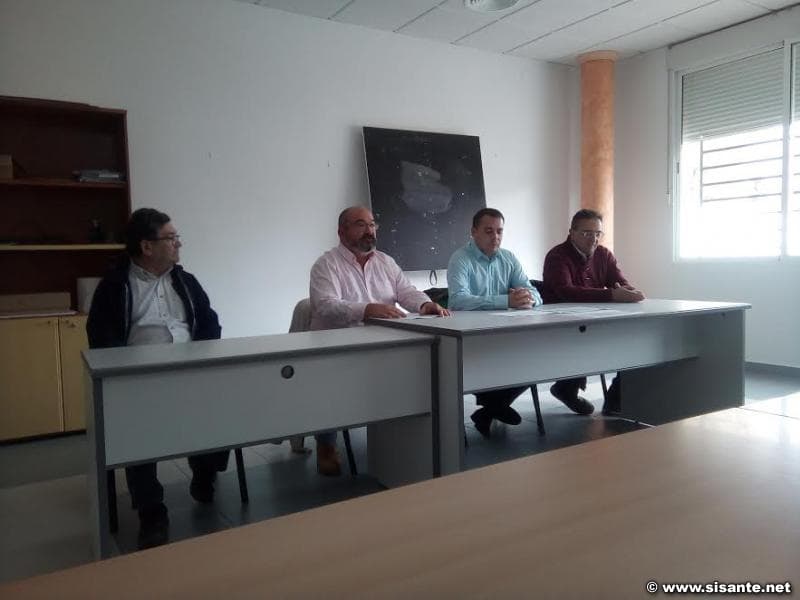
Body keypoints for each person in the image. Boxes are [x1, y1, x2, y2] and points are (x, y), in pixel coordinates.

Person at [87, 208, 229, 549]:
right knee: (137, 430)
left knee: (221, 404)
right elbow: (101, 338)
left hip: (190, 370)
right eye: (171, 238)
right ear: (146, 246)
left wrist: (205, 357)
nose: (178, 244)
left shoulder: (185, 281)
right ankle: (151, 512)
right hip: (139, 378)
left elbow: (210, 323)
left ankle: (204, 472)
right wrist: (126, 372)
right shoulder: (115, 286)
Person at [309, 206, 448, 475]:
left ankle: (401, 432)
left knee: (418, 370)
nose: (369, 230)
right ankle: (326, 442)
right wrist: (367, 309)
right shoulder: (326, 265)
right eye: (360, 224)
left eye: (372, 224)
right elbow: (325, 306)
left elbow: (406, 291)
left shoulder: (385, 261)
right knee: (328, 384)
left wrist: (424, 304)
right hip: (337, 347)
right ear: (341, 231)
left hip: (385, 342)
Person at [447, 207, 543, 437]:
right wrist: (505, 300)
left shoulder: (508, 258)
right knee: (501, 360)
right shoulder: (460, 258)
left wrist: (527, 299)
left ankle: (491, 409)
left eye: (499, 231)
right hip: (470, 336)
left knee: (538, 356)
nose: (495, 237)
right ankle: (493, 406)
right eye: (488, 231)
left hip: (506, 333)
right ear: (474, 232)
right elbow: (458, 300)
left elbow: (534, 293)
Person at [542, 208, 645, 416]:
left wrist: (629, 291)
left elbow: (619, 282)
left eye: (598, 233)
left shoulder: (603, 254)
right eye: (586, 233)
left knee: (635, 341)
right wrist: (611, 295)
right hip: (563, 326)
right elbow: (566, 292)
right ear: (572, 233)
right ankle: (566, 388)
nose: (594, 239)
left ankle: (615, 400)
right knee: (589, 343)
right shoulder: (557, 256)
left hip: (596, 320)